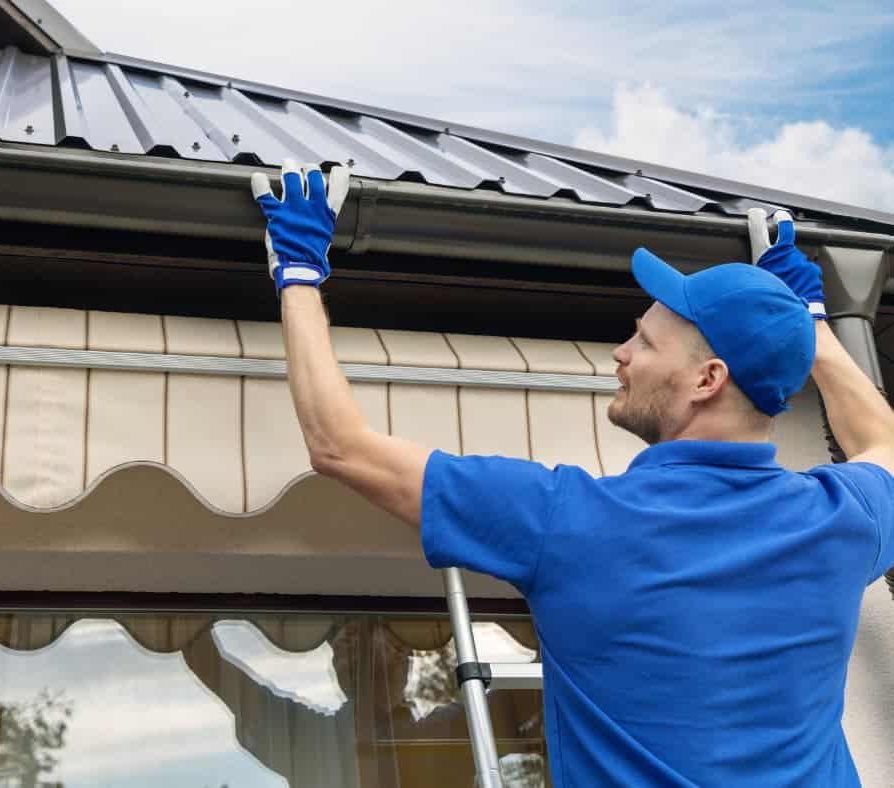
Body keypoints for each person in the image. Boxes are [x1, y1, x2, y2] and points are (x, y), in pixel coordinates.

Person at [251, 159, 894, 787]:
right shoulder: (841, 520)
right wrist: (808, 321)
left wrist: (300, 272)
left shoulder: (571, 522)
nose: (620, 353)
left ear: (708, 380)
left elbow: (339, 446)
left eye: (643, 341)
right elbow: (881, 440)